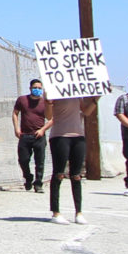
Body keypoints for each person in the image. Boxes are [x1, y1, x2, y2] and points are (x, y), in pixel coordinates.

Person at [46, 94, 86, 223]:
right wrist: (48, 101)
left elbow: (87, 111)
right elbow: (48, 116)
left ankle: (79, 212)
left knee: (76, 175)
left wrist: (97, 98)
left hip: (78, 136)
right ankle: (56, 213)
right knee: (59, 173)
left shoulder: (77, 94)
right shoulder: (54, 92)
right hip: (60, 136)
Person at [12, 77, 51, 192]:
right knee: (23, 160)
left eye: (39, 88)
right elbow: (15, 113)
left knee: (40, 161)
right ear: (30, 88)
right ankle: (28, 177)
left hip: (39, 135)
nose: (37, 90)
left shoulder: (45, 102)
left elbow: (52, 118)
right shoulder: (22, 100)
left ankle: (38, 184)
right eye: (35, 88)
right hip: (25, 135)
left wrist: (43, 129)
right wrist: (16, 128)